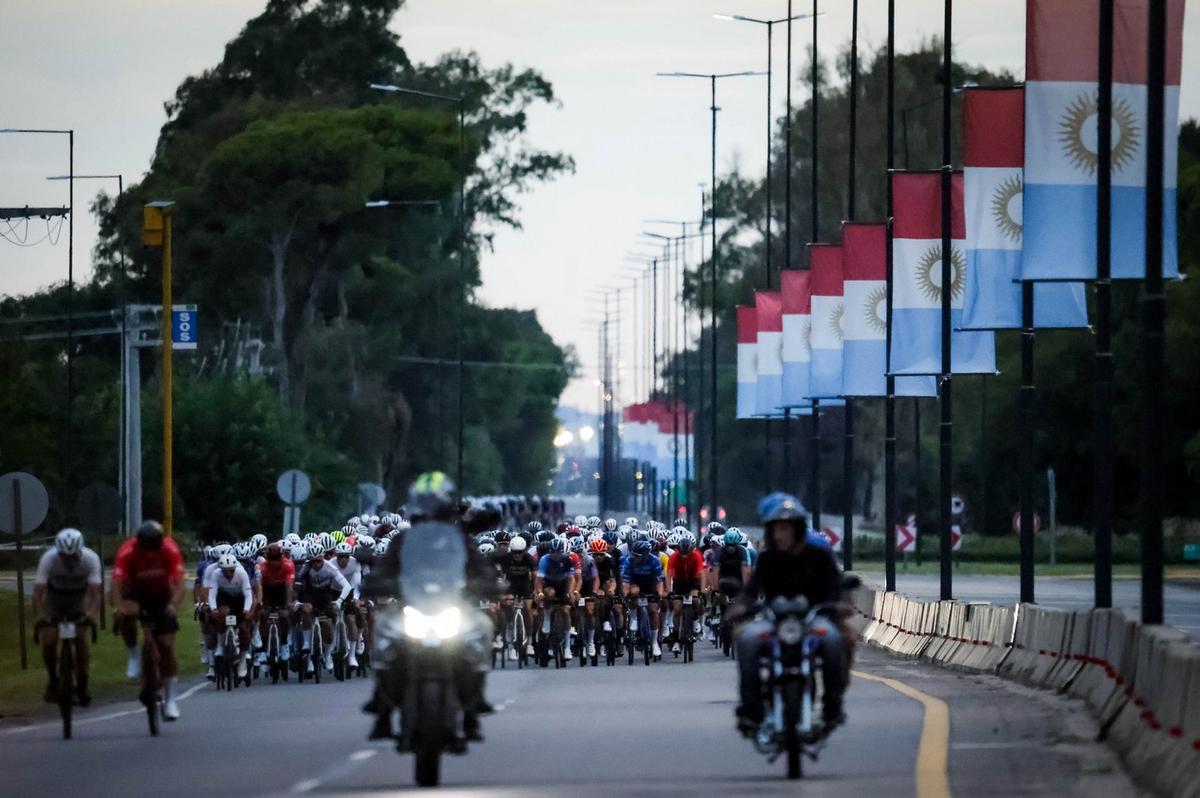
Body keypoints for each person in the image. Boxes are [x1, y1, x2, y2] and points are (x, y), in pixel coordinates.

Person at [733, 493, 847, 737]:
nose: (781, 534)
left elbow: (835, 586)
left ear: (798, 529)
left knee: (834, 640)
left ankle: (832, 706)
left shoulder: (819, 556)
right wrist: (740, 605)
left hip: (812, 620)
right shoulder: (767, 559)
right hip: (774, 622)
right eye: (776, 529)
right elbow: (752, 590)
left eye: (786, 528)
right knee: (747, 640)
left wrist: (838, 604)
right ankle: (751, 712)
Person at [111, 520, 186, 720]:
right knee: (125, 617)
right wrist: (119, 607)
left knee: (166, 646)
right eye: (147, 550)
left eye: (155, 550)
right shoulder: (126, 552)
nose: (151, 555)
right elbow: (116, 587)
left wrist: (172, 606)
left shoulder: (170, 549)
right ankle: (134, 654)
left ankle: (171, 699)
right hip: (135, 592)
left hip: (161, 595)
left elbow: (179, 585)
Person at [33, 528, 102, 706]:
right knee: (49, 640)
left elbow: (96, 594)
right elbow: (39, 593)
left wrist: (90, 615)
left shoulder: (91, 559)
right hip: (54, 599)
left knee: (80, 638)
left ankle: (83, 683)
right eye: (65, 557)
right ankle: (53, 679)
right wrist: (42, 615)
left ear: (80, 551)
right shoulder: (48, 559)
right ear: (58, 552)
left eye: (74, 557)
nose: (69, 561)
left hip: (78, 599)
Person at [204, 552, 255, 679]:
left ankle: (243, 660)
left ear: (235, 568)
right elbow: (212, 595)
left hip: (240, 601)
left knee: (244, 629)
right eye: (225, 571)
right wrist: (214, 609)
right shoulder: (216, 574)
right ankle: (221, 645)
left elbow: (248, 595)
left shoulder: (241, 573)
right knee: (220, 618)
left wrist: (246, 610)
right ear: (220, 569)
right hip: (224, 600)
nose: (228, 574)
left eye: (231, 571)